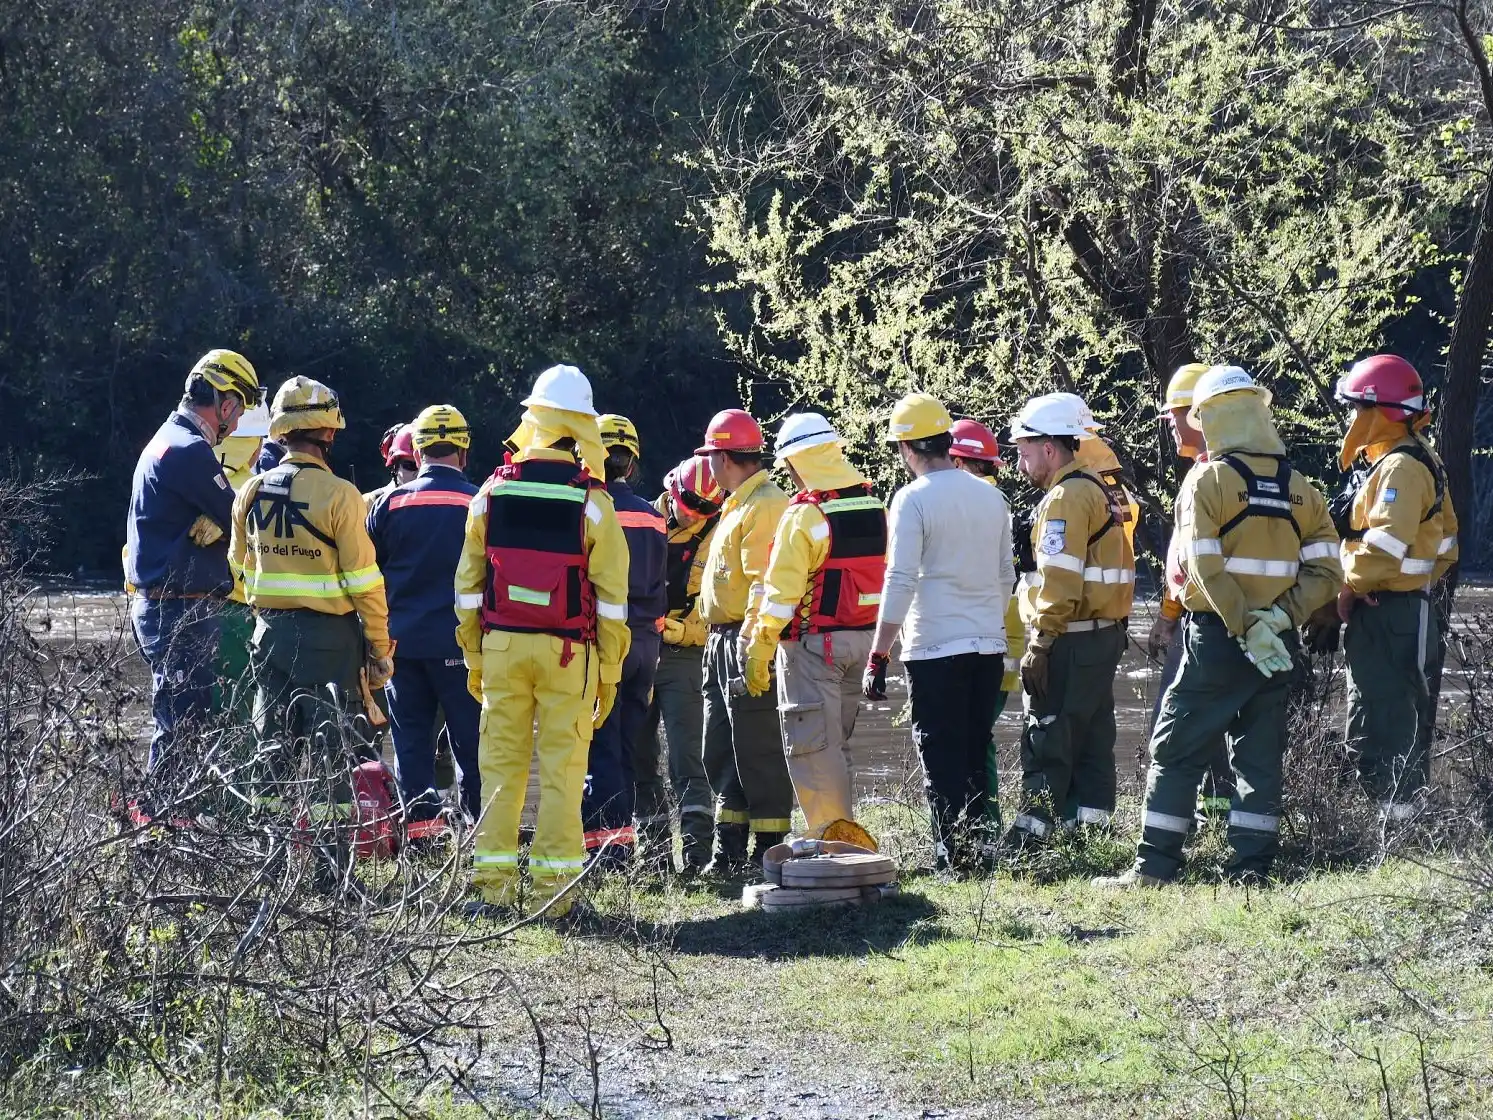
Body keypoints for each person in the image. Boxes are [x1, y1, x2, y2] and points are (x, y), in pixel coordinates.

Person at [1097, 366, 1341, 886]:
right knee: (1258, 756)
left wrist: (1244, 624)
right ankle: (1251, 869)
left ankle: (1154, 868)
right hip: (1277, 643)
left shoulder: (1208, 481)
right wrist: (1276, 619)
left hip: (1218, 639)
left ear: (1209, 418)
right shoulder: (1302, 490)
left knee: (1176, 747)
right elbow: (1327, 573)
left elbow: (1202, 567)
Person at [453, 365, 630, 919]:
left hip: (503, 647)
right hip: (567, 654)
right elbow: (613, 604)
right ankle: (554, 898)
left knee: (500, 767)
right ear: (579, 430)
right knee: (562, 772)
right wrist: (609, 672)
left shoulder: (490, 492)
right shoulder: (594, 503)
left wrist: (473, 656)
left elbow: (466, 588)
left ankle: (491, 889)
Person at [863, 394, 1013, 872]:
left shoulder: (911, 499)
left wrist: (878, 654)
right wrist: (984, 619)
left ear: (908, 449)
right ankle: (981, 852)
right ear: (947, 442)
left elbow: (900, 579)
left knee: (939, 751)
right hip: (988, 645)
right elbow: (1007, 575)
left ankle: (952, 855)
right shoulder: (992, 496)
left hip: (933, 648)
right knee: (973, 749)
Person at [231, 378, 394, 816]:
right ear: (330, 432)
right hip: (331, 645)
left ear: (280, 431)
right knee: (333, 763)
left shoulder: (251, 490)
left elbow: (240, 570)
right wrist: (379, 647)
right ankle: (331, 875)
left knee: (270, 755)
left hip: (269, 638)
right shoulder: (341, 495)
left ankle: (267, 863)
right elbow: (365, 583)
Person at [1318, 355, 1459, 820]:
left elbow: (1383, 545)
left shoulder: (1402, 468)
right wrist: (1403, 582)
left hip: (1390, 610)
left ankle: (1394, 826)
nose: (1353, 419)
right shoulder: (1412, 461)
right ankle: (1382, 815)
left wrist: (1352, 587)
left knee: (1388, 714)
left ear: (1382, 411)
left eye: (1359, 408)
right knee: (1375, 708)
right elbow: (1447, 547)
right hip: (1391, 605)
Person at [744, 413, 887, 839]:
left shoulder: (806, 515)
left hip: (814, 649)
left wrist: (760, 646)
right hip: (863, 642)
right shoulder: (873, 504)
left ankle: (831, 840)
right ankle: (844, 835)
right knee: (836, 746)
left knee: (812, 748)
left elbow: (781, 597)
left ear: (797, 461)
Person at [126, 349, 261, 796]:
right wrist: (230, 527)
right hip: (179, 613)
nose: (238, 424)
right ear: (225, 404)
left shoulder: (167, 440)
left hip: (165, 608)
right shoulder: (189, 451)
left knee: (183, 720)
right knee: (182, 725)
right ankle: (161, 823)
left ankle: (169, 823)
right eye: (239, 410)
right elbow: (244, 520)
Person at [1005, 392, 1134, 846]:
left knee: (1047, 734)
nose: (1021, 466)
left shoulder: (1065, 498)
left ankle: (1030, 843)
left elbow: (1060, 583)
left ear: (1048, 448)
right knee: (1094, 738)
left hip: (1070, 639)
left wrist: (1040, 644)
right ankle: (1090, 836)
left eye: (1023, 454)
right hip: (1102, 636)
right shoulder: (1099, 488)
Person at [366, 404, 482, 836]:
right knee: (470, 749)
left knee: (411, 747)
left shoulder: (388, 504)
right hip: (461, 647)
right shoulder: (478, 502)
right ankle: (476, 841)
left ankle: (423, 840)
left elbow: (369, 576)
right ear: (464, 451)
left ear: (416, 451)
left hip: (404, 647)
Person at [695, 408, 793, 873]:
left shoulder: (766, 505)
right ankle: (728, 847)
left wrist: (755, 646)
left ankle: (769, 848)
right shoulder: (738, 503)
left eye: (711, 457)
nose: (708, 467)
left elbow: (762, 584)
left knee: (758, 746)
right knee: (720, 746)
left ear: (725, 457)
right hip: (720, 640)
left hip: (745, 638)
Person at [1147, 363, 1236, 821]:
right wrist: (1166, 616)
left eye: (1175, 416)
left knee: (1176, 723)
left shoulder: (1218, 476)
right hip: (1194, 617)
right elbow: (1184, 563)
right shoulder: (1203, 472)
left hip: (1213, 621)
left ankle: (1191, 822)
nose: (1171, 427)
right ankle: (1213, 813)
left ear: (1199, 414)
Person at [581, 414, 668, 869]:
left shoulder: (588, 508)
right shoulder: (655, 517)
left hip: (604, 644)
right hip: (646, 646)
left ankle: (607, 852)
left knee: (600, 747)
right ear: (632, 465)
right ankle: (627, 844)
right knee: (629, 747)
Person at [639, 456, 725, 873]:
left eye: (704, 510)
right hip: (638, 650)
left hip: (684, 654)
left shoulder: (719, 531)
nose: (693, 515)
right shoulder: (640, 520)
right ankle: (652, 854)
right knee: (639, 753)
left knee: (688, 757)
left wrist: (678, 631)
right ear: (671, 491)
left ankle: (697, 854)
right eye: (688, 505)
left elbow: (718, 608)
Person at [947, 417, 1019, 828]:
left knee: (973, 742)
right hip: (1001, 638)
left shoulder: (965, 505)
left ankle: (981, 825)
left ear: (958, 463)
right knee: (979, 739)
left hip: (976, 640)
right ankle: (981, 824)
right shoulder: (997, 503)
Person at [364, 423, 418, 508]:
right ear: (395, 466)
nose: (419, 473)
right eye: (411, 465)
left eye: (426, 467)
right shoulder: (370, 503)